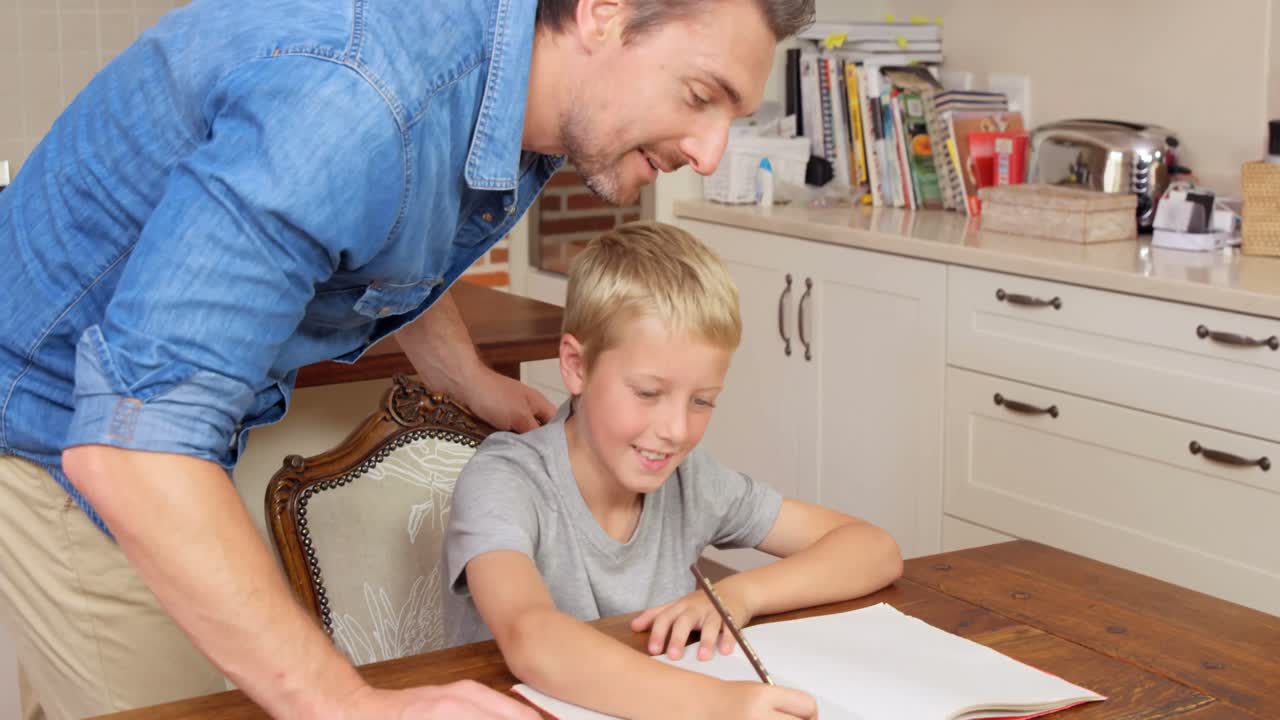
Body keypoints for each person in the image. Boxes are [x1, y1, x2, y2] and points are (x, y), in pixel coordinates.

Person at [0, 0, 816, 717]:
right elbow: (133, 448)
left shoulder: (517, 95)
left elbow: (377, 224)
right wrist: (349, 705)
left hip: (124, 419)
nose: (712, 153)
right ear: (604, 12)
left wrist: (459, 375)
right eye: (702, 97)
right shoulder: (351, 99)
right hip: (49, 419)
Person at [444, 222, 904, 720]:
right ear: (576, 366)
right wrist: (715, 706)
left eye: (703, 401)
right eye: (647, 393)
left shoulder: (691, 480)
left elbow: (874, 550)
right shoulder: (505, 480)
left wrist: (739, 594)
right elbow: (531, 637)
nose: (676, 430)